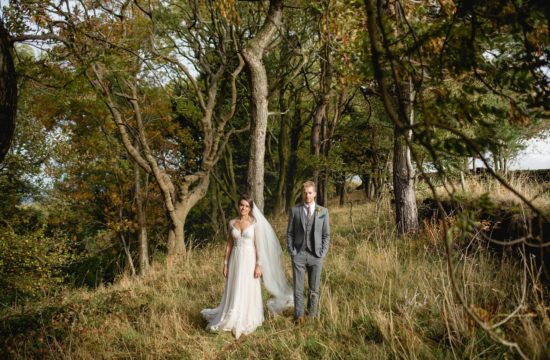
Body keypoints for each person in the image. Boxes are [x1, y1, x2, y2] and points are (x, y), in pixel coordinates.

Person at [201, 194, 293, 339]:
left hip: (250, 260)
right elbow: (229, 245)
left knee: (248, 285)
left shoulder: (255, 223)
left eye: (246, 206)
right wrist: (225, 264)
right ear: (238, 206)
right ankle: (232, 313)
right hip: (235, 259)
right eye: (241, 205)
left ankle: (247, 315)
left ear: (250, 208)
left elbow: (259, 246)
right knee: (235, 285)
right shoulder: (232, 223)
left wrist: (259, 265)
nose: (243, 208)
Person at [287, 181, 330, 324]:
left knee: (314, 289)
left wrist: (323, 252)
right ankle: (299, 316)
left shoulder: (323, 212)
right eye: (305, 193)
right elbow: (290, 233)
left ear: (315, 194)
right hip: (298, 254)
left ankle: (312, 316)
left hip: (316, 255)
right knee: (298, 289)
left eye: (310, 192)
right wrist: (292, 251)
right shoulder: (295, 210)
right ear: (302, 194)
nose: (307, 195)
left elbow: (326, 235)